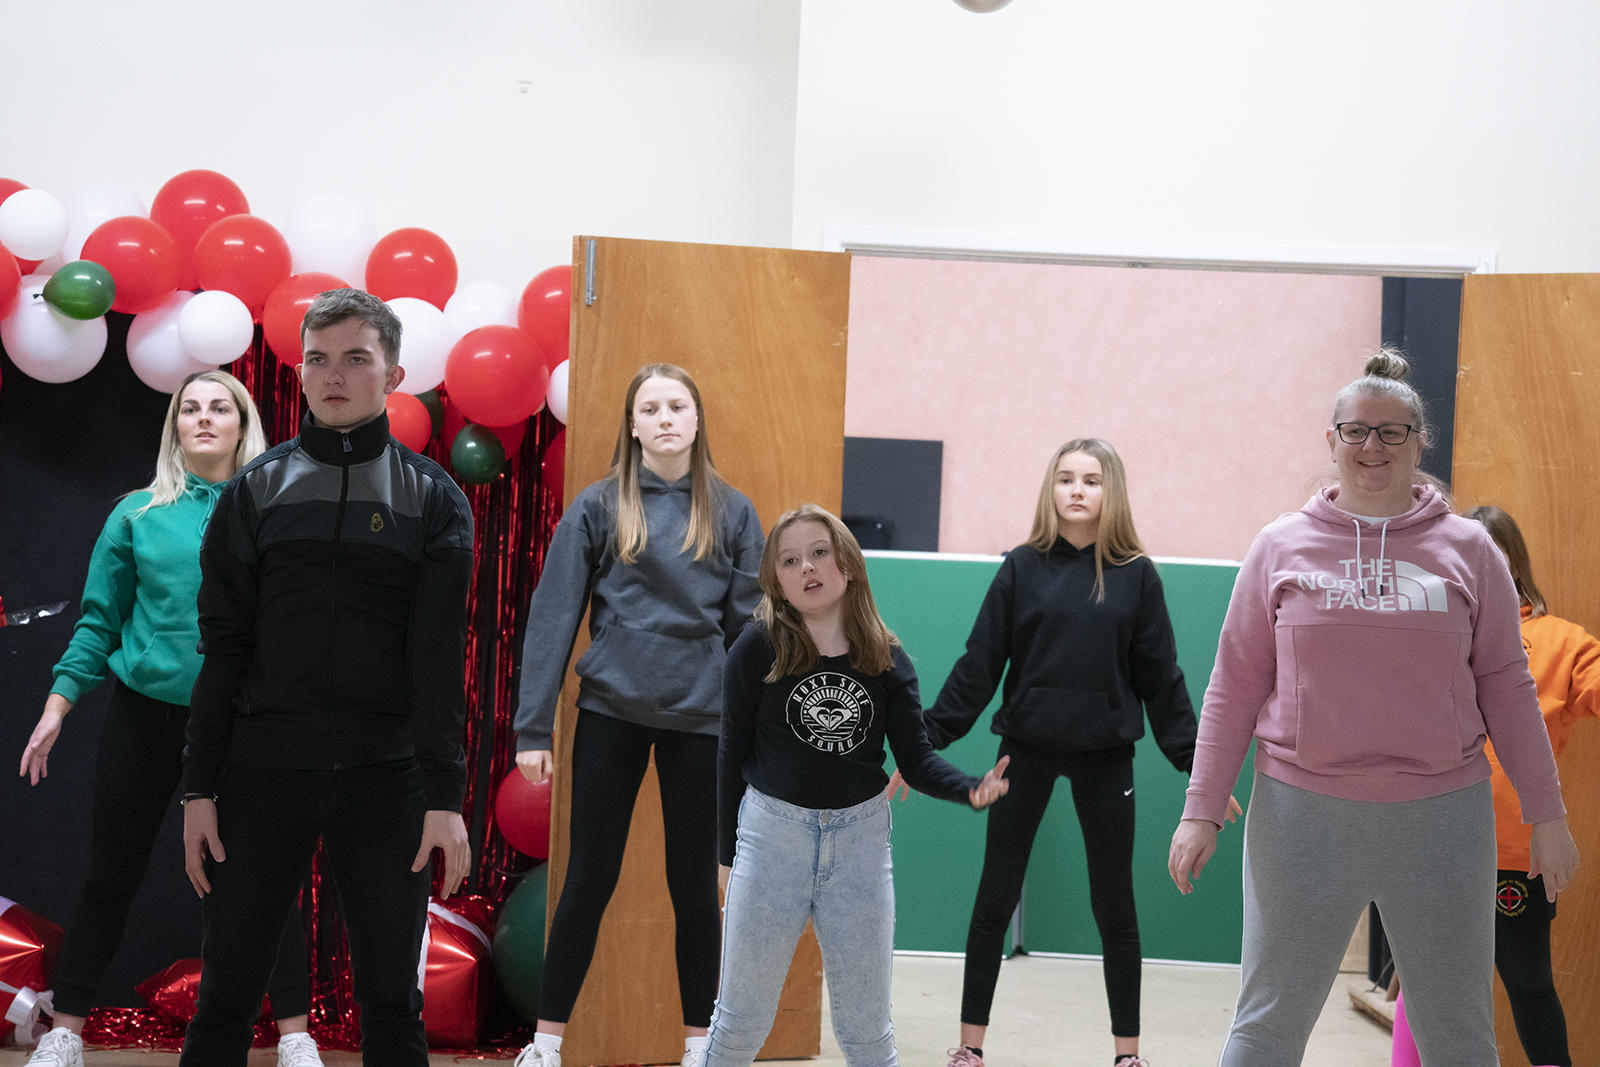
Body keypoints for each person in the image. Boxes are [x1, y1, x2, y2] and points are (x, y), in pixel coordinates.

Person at [1169, 350, 1580, 1066]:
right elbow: (1232, 684)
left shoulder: (1471, 549)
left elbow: (1508, 688)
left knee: (1458, 1033)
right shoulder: (1278, 547)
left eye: (1394, 432)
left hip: (1442, 819)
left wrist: (1549, 817)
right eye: (1356, 431)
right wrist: (1200, 808)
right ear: (1331, 441)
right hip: (1300, 816)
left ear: (1422, 442)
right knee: (1266, 1025)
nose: (1373, 447)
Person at [177, 288, 475, 1067]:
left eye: (355, 358)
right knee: (226, 1001)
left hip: (388, 780)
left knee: (391, 1006)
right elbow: (224, 646)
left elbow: (441, 661)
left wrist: (445, 796)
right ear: (299, 372)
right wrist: (198, 787)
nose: (333, 375)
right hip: (261, 774)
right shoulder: (256, 489)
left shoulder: (434, 498)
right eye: (317, 358)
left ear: (394, 374)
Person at [19, 371, 325, 1067]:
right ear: (175, 428)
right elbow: (99, 623)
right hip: (147, 718)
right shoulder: (135, 513)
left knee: (260, 881)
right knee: (110, 874)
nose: (204, 417)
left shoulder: (279, 512)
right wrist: (56, 705)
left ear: (244, 424)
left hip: (246, 728)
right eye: (190, 409)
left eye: (220, 406)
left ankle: (298, 1033)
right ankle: (66, 1029)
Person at [925, 438, 1213, 1067]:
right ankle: (970, 1050)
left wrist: (1200, 766)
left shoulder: (1137, 575)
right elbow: (978, 666)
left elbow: (1161, 680)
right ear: (1050, 490)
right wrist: (923, 742)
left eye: (1090, 480)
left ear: (1111, 491)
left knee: (1115, 907)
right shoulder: (1020, 568)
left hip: (1106, 759)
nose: (1077, 490)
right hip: (1022, 753)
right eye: (1065, 479)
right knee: (993, 899)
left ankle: (1127, 1056)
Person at [511, 364, 765, 1067]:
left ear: (695, 418)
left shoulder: (733, 512)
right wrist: (533, 728)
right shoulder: (599, 505)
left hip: (702, 722)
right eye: (649, 407)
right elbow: (553, 615)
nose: (663, 417)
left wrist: (758, 737)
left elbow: (752, 635)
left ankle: (698, 1045)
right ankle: (545, 1043)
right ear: (632, 424)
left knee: (695, 885)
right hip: (612, 713)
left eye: (676, 405)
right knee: (589, 875)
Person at [706, 504, 1009, 1067]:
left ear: (848, 562)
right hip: (772, 838)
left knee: (868, 1033)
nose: (808, 568)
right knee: (739, 1025)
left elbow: (915, 761)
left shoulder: (887, 660)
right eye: (791, 560)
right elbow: (731, 754)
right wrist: (727, 854)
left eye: (820, 552)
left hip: (861, 847)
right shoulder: (756, 649)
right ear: (777, 580)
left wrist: (970, 788)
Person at [1389, 505, 1597, 1067]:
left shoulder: (1561, 642)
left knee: (1528, 983)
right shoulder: (1426, 628)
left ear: (1513, 566)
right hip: (1429, 839)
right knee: (1421, 980)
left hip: (1515, 856)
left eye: (1492, 559)